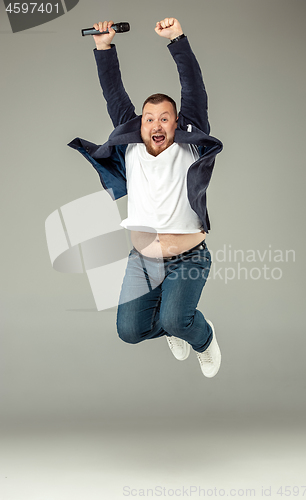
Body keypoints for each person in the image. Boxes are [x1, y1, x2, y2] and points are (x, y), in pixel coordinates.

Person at [68, 18, 223, 377]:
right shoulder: (132, 149)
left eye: (164, 118)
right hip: (142, 261)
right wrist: (103, 47)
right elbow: (114, 94)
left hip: (188, 257)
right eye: (149, 118)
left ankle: (200, 334)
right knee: (129, 331)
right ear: (140, 124)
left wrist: (177, 39)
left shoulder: (189, 145)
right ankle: (175, 326)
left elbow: (194, 88)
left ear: (176, 123)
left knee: (176, 318)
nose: (156, 125)